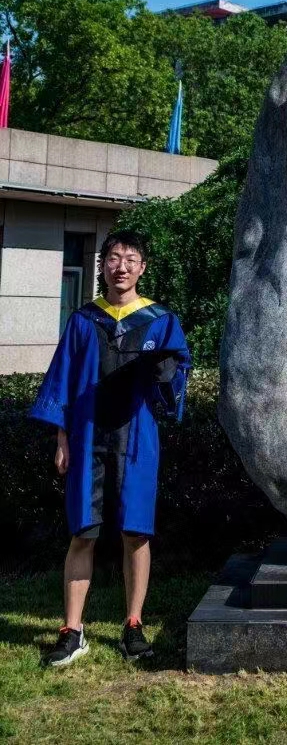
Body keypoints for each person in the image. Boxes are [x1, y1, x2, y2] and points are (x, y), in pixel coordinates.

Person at [30, 230, 191, 667]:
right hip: (87, 437)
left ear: (142, 268)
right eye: (114, 258)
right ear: (103, 266)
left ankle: (133, 625)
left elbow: (176, 380)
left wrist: (168, 372)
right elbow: (62, 380)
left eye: (131, 259)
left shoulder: (160, 320)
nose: (122, 266)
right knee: (82, 533)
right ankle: (72, 630)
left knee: (136, 533)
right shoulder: (84, 320)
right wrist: (61, 438)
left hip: (137, 438)